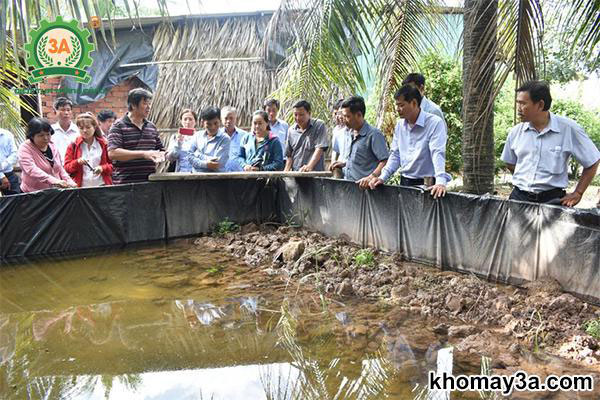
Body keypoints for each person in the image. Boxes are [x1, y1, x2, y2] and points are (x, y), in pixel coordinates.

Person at [501, 80, 600, 206]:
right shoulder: (516, 132)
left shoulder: (568, 129)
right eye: (517, 103)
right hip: (518, 199)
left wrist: (578, 193)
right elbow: (510, 163)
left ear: (540, 105)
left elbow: (592, 161)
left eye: (523, 103)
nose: (518, 108)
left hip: (552, 201)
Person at [367, 84, 451, 199]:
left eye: (401, 105)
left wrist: (441, 181)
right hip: (405, 183)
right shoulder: (400, 125)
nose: (397, 109)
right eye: (397, 105)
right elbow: (395, 155)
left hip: (428, 184)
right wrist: (382, 177)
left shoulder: (434, 123)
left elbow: (437, 152)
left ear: (414, 103)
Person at [107, 88, 165, 184]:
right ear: (133, 105)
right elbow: (113, 153)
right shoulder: (118, 126)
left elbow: (160, 150)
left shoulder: (151, 126)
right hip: (125, 185)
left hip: (149, 183)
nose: (148, 107)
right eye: (145, 103)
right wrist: (143, 154)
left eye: (149, 104)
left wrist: (169, 152)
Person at [329, 96, 389, 187]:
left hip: (367, 191)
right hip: (350, 189)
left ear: (359, 115)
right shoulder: (350, 133)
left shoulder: (373, 135)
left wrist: (371, 177)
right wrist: (345, 164)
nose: (344, 119)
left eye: (347, 116)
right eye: (343, 116)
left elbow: (385, 161)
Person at [18, 117, 77, 193]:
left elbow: (60, 168)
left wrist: (70, 182)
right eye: (41, 135)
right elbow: (31, 170)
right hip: (33, 193)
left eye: (48, 134)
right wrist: (54, 181)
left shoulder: (52, 145)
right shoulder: (25, 148)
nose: (46, 138)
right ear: (32, 136)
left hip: (54, 192)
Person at [64, 113, 113, 187]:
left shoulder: (104, 144)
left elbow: (114, 165)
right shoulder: (73, 145)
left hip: (102, 186)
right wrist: (77, 162)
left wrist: (102, 168)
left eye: (88, 127)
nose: (84, 130)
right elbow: (67, 168)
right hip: (81, 188)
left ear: (94, 127)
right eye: (81, 128)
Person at [284, 100, 329, 172]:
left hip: (315, 174)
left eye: (301, 115)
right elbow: (289, 155)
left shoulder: (319, 125)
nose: (298, 118)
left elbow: (320, 148)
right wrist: (286, 172)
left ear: (309, 113)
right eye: (295, 115)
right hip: (296, 174)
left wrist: (309, 166)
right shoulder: (291, 130)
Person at [187, 107, 230, 172]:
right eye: (208, 124)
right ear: (202, 122)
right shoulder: (197, 136)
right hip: (196, 178)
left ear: (220, 121)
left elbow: (217, 163)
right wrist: (206, 164)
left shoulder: (225, 139)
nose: (212, 127)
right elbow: (189, 156)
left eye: (215, 123)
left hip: (217, 179)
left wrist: (197, 154)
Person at [219, 106, 248, 172]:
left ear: (236, 118)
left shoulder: (245, 135)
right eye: (226, 118)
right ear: (221, 119)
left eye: (231, 118)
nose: (228, 121)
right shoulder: (217, 136)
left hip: (240, 175)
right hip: (221, 175)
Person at [50, 97, 80, 161]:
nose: (66, 113)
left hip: (75, 167)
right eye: (63, 110)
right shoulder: (50, 131)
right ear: (55, 112)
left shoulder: (79, 130)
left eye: (68, 110)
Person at [329, 99, 352, 178]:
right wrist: (333, 162)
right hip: (339, 169)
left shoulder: (353, 130)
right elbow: (336, 151)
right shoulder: (336, 130)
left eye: (340, 113)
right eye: (336, 114)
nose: (338, 116)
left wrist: (345, 163)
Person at [0, 127, 20, 195]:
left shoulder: (7, 134)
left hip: (8, 173)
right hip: (3, 175)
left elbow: (14, 154)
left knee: (16, 199)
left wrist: (3, 166)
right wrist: (1, 176)